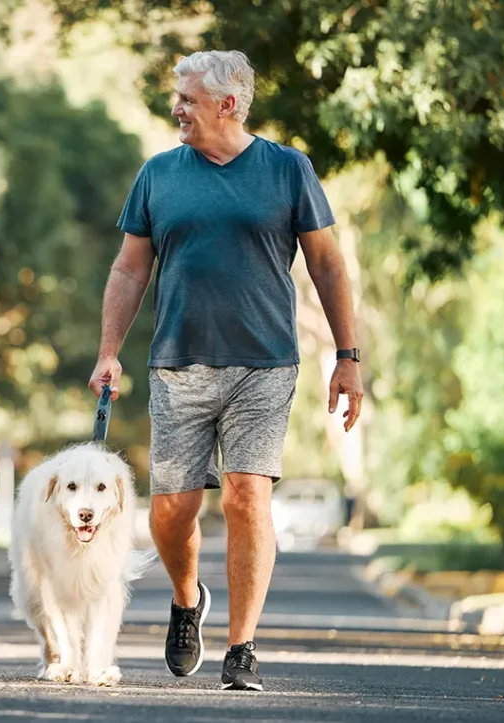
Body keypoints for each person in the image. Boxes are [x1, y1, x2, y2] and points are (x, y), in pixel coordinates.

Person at [88, 49, 363, 691]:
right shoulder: (158, 174)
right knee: (170, 511)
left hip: (264, 363)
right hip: (177, 363)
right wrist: (108, 351)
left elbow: (327, 264)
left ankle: (242, 648)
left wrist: (347, 357)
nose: (176, 108)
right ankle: (189, 600)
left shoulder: (288, 169)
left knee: (247, 495)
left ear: (227, 105)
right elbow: (130, 269)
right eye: (177, 97)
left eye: (187, 98)